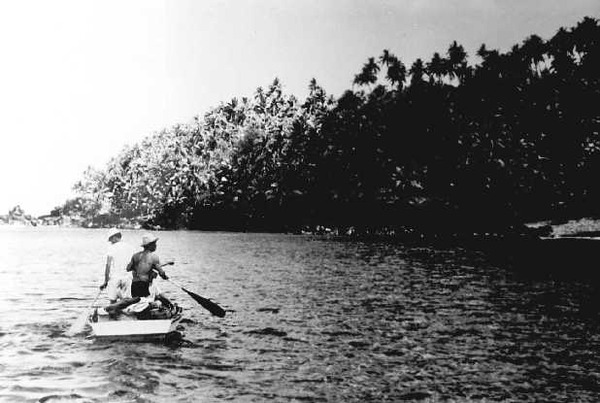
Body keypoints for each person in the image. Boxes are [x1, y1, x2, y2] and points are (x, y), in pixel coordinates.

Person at [126, 233, 169, 298]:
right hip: (144, 284)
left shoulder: (135, 256)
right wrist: (165, 277)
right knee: (149, 300)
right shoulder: (154, 257)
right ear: (150, 245)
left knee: (137, 301)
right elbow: (161, 272)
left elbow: (128, 268)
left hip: (134, 284)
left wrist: (137, 267)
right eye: (154, 244)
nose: (156, 245)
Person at [100, 228, 132, 303]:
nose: (110, 242)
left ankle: (113, 313)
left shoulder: (111, 248)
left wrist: (105, 281)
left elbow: (108, 265)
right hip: (127, 277)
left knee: (113, 301)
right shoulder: (130, 247)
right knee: (126, 301)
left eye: (111, 239)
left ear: (114, 237)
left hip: (115, 278)